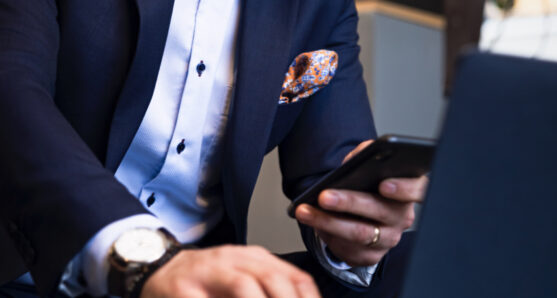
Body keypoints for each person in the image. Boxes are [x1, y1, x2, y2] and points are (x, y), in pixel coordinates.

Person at [0, 0, 427, 297]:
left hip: (205, 281)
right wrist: (145, 258)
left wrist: (357, 237)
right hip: (33, 269)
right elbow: (12, 93)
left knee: (429, 268)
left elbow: (334, 174)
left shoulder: (322, 5)